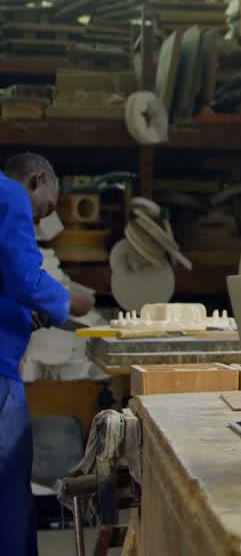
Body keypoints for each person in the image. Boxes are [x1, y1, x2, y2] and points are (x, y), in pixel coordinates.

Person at [1, 152, 95, 554]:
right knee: (8, 488)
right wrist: (68, 299)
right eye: (47, 208)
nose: (41, 220)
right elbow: (23, 278)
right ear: (37, 180)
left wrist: (26, 318)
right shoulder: (10, 195)